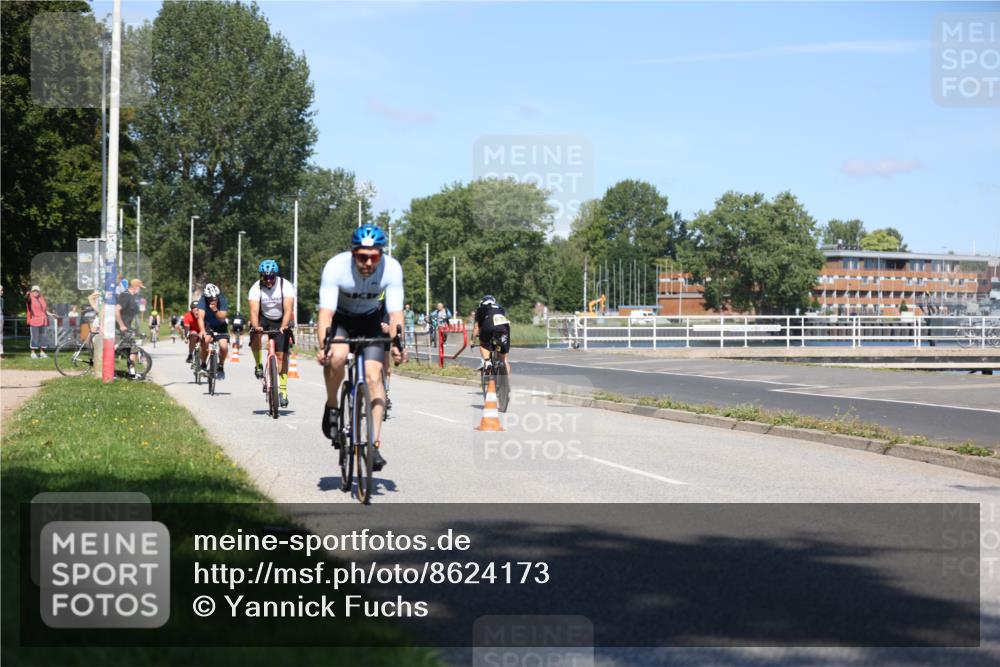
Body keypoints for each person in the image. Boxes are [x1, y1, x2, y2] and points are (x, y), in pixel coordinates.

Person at [315, 224, 406, 471]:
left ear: (381, 254)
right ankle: (332, 405)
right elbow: (325, 314)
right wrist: (323, 346)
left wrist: (398, 344)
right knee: (337, 357)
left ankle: (373, 446)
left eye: (374, 257)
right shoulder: (336, 267)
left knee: (375, 377)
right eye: (362, 257)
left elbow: (395, 314)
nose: (367, 263)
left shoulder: (391, 269)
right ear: (353, 253)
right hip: (341, 320)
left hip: (369, 321)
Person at [248, 259, 295, 408]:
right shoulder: (255, 288)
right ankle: (258, 364)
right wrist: (256, 326)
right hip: (263, 317)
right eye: (265, 277)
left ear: (276, 276)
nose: (268, 280)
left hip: (281, 318)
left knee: (281, 356)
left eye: (271, 277)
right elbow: (253, 311)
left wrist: (284, 326)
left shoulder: (285, 285)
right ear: (261, 276)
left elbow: (288, 309)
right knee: (255, 333)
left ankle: (283, 390)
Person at [196, 283, 230, 379]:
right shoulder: (202, 300)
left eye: (215, 298)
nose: (213, 300)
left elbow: (222, 318)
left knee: (223, 347)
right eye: (210, 299)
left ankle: (221, 366)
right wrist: (202, 330)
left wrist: (215, 310)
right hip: (208, 324)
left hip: (220, 325)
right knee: (205, 341)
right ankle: (203, 365)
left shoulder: (222, 299)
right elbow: (200, 317)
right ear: (206, 297)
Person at [473, 294, 511, 375]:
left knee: (483, 345)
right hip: (504, 327)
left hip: (488, 325)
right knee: (504, 359)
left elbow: (476, 327)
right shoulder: (500, 307)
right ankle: (506, 380)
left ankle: (487, 362)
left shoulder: (480, 309)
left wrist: (473, 341)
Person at [115, 279, 144, 377]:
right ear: (135, 287)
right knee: (131, 349)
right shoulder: (125, 295)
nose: (140, 290)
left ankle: (132, 373)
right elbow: (116, 310)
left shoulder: (131, 297)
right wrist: (121, 325)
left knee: (132, 349)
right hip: (120, 328)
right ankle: (130, 373)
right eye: (140, 287)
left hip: (127, 327)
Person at [25, 285, 55, 358]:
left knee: (43, 337)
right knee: (34, 337)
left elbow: (44, 310)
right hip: (34, 321)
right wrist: (27, 295)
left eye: (37, 291)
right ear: (32, 291)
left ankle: (42, 353)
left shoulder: (41, 298)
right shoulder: (30, 298)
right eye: (34, 291)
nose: (35, 292)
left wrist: (50, 314)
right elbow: (27, 299)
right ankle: (33, 353)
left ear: (39, 292)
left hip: (43, 321)